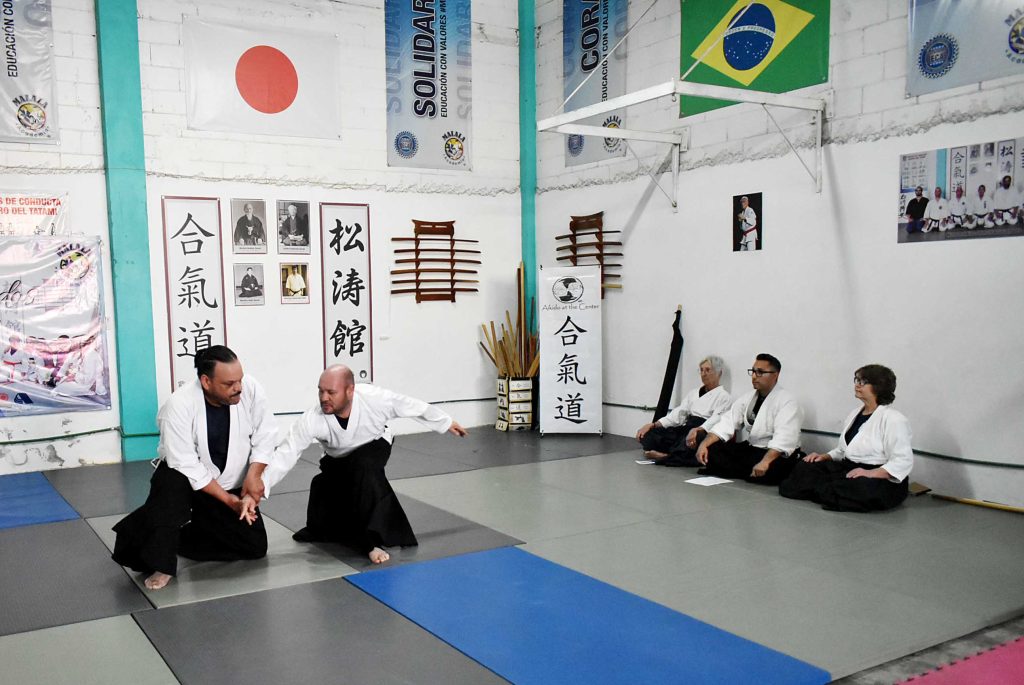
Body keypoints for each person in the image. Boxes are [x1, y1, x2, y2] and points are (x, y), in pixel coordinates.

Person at [247, 365, 468, 564]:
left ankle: (371, 542)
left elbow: (411, 406)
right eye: (320, 391)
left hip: (374, 443)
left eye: (331, 392)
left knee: (365, 471)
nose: (324, 398)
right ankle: (324, 527)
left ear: (350, 391)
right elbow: (286, 453)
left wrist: (445, 422)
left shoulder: (375, 399)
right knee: (327, 483)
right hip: (337, 457)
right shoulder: (312, 419)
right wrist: (258, 488)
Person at [111, 346, 277, 590]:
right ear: (206, 381)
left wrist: (254, 476)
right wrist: (229, 501)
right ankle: (162, 559)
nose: (238, 387)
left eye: (239, 380)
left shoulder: (250, 389)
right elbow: (185, 462)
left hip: (228, 481)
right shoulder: (178, 406)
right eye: (229, 383)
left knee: (254, 547)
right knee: (170, 485)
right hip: (184, 483)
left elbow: (266, 433)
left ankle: (181, 532)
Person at [779, 364, 912, 512]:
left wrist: (869, 473)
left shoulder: (894, 419)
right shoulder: (855, 413)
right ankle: (829, 492)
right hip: (849, 468)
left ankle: (827, 491)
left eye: (863, 382)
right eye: (857, 380)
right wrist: (824, 457)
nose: (857, 385)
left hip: (878, 475)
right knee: (806, 467)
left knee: (860, 486)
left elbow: (902, 460)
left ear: (878, 387)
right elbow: (844, 450)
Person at [695, 353, 802, 485]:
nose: (754, 376)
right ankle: (746, 471)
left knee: (770, 469)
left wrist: (765, 462)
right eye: (753, 371)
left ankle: (747, 470)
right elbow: (728, 422)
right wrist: (704, 444)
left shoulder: (787, 401)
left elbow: (785, 438)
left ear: (775, 375)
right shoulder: (748, 398)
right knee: (711, 446)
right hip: (752, 449)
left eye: (760, 372)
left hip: (774, 454)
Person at [635, 356, 732, 466]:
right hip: (687, 428)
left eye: (708, 370)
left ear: (719, 373)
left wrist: (698, 429)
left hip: (703, 430)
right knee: (648, 434)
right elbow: (679, 412)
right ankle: (673, 454)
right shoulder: (693, 393)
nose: (703, 374)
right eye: (701, 370)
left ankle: (664, 456)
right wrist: (653, 424)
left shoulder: (724, 397)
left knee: (693, 440)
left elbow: (716, 419)